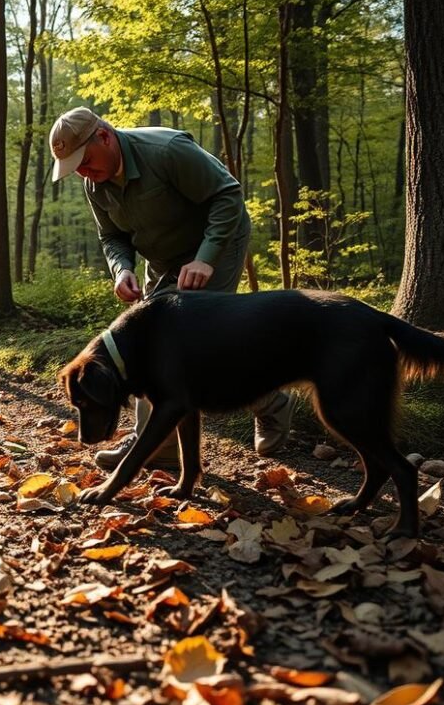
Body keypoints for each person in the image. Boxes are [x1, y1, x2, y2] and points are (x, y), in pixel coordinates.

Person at [49, 106, 294, 470]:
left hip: (216, 243)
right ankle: (159, 447)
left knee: (201, 343)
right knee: (146, 346)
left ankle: (270, 403)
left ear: (104, 136)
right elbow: (111, 236)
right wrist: (122, 269)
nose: (83, 172)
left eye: (84, 160)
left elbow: (227, 196)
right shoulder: (94, 184)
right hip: (162, 259)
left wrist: (205, 258)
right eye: (75, 168)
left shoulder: (167, 150)